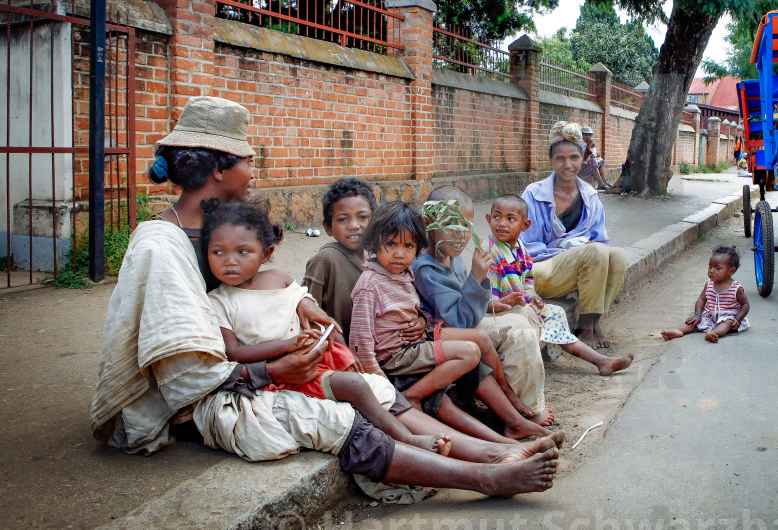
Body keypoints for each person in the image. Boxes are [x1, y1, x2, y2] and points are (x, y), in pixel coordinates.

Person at [89, 96, 558, 498]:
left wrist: (308, 334)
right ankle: (486, 480)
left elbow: (283, 294)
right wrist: (272, 368)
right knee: (336, 421)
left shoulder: (226, 230)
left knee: (375, 390)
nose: (254, 170)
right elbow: (185, 370)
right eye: (247, 160)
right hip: (222, 392)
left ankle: (498, 452)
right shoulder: (160, 243)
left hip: (281, 366)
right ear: (218, 167)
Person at [202, 197, 451, 457]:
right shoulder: (219, 301)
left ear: (266, 253)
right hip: (284, 374)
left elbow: (318, 315)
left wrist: (342, 349)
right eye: (218, 252)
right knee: (354, 387)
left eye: (242, 252)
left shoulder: (280, 278)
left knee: (366, 387)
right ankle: (408, 439)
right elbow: (234, 353)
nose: (230, 261)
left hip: (312, 357)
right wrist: (287, 346)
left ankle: (407, 434)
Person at [349, 202, 551, 439]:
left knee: (480, 341)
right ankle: (413, 396)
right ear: (374, 243)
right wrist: (381, 385)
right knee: (470, 353)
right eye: (390, 244)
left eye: (408, 246)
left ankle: (511, 403)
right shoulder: (371, 284)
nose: (399, 253)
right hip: (396, 355)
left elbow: (414, 309)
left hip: (419, 337)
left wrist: (423, 320)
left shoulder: (404, 273)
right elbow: (361, 342)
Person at [413, 186, 555, 428]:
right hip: (448, 333)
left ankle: (522, 399)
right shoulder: (426, 269)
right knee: (518, 329)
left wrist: (493, 303)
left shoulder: (451, 256)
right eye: (452, 225)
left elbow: (466, 302)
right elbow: (457, 320)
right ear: (429, 223)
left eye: (466, 226)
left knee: (527, 313)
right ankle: (527, 410)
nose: (461, 235)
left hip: (470, 321)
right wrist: (476, 278)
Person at [488, 194, 634, 375]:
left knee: (555, 313)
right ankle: (525, 362)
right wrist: (511, 302)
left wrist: (533, 297)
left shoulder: (521, 250)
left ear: (525, 226)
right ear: (488, 219)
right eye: (497, 217)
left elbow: (527, 281)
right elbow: (488, 292)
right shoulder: (489, 251)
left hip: (520, 306)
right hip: (501, 311)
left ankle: (601, 361)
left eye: (510, 219)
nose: (502, 223)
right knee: (536, 320)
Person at [522, 121, 628, 349]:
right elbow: (526, 245)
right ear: (551, 160)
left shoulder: (590, 196)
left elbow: (600, 241)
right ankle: (588, 326)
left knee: (618, 255)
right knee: (594, 250)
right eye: (560, 158)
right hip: (539, 269)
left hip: (580, 266)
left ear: (583, 158)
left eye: (574, 158)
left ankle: (590, 322)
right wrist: (570, 252)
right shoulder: (533, 194)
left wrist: (582, 252)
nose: (567, 165)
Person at [302, 176, 378, 340]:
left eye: (363, 217)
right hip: (341, 354)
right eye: (343, 219)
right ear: (328, 227)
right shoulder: (325, 260)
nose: (354, 225)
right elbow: (306, 312)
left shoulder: (379, 260)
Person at [660, 246, 750, 342]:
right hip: (709, 316)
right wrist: (698, 314)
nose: (711, 271)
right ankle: (679, 331)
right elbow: (701, 299)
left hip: (728, 316)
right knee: (694, 322)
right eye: (710, 267)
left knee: (726, 323)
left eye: (717, 268)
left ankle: (714, 333)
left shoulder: (736, 288)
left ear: (731, 271)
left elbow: (745, 304)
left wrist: (738, 319)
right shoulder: (709, 284)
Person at [578, 126, 611, 190]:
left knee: (600, 161)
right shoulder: (580, 143)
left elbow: (594, 153)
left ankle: (605, 182)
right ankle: (600, 183)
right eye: (585, 135)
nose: (587, 137)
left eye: (589, 135)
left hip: (588, 161)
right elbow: (584, 155)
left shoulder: (591, 143)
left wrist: (594, 155)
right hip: (582, 163)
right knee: (593, 162)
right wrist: (589, 146)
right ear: (582, 135)